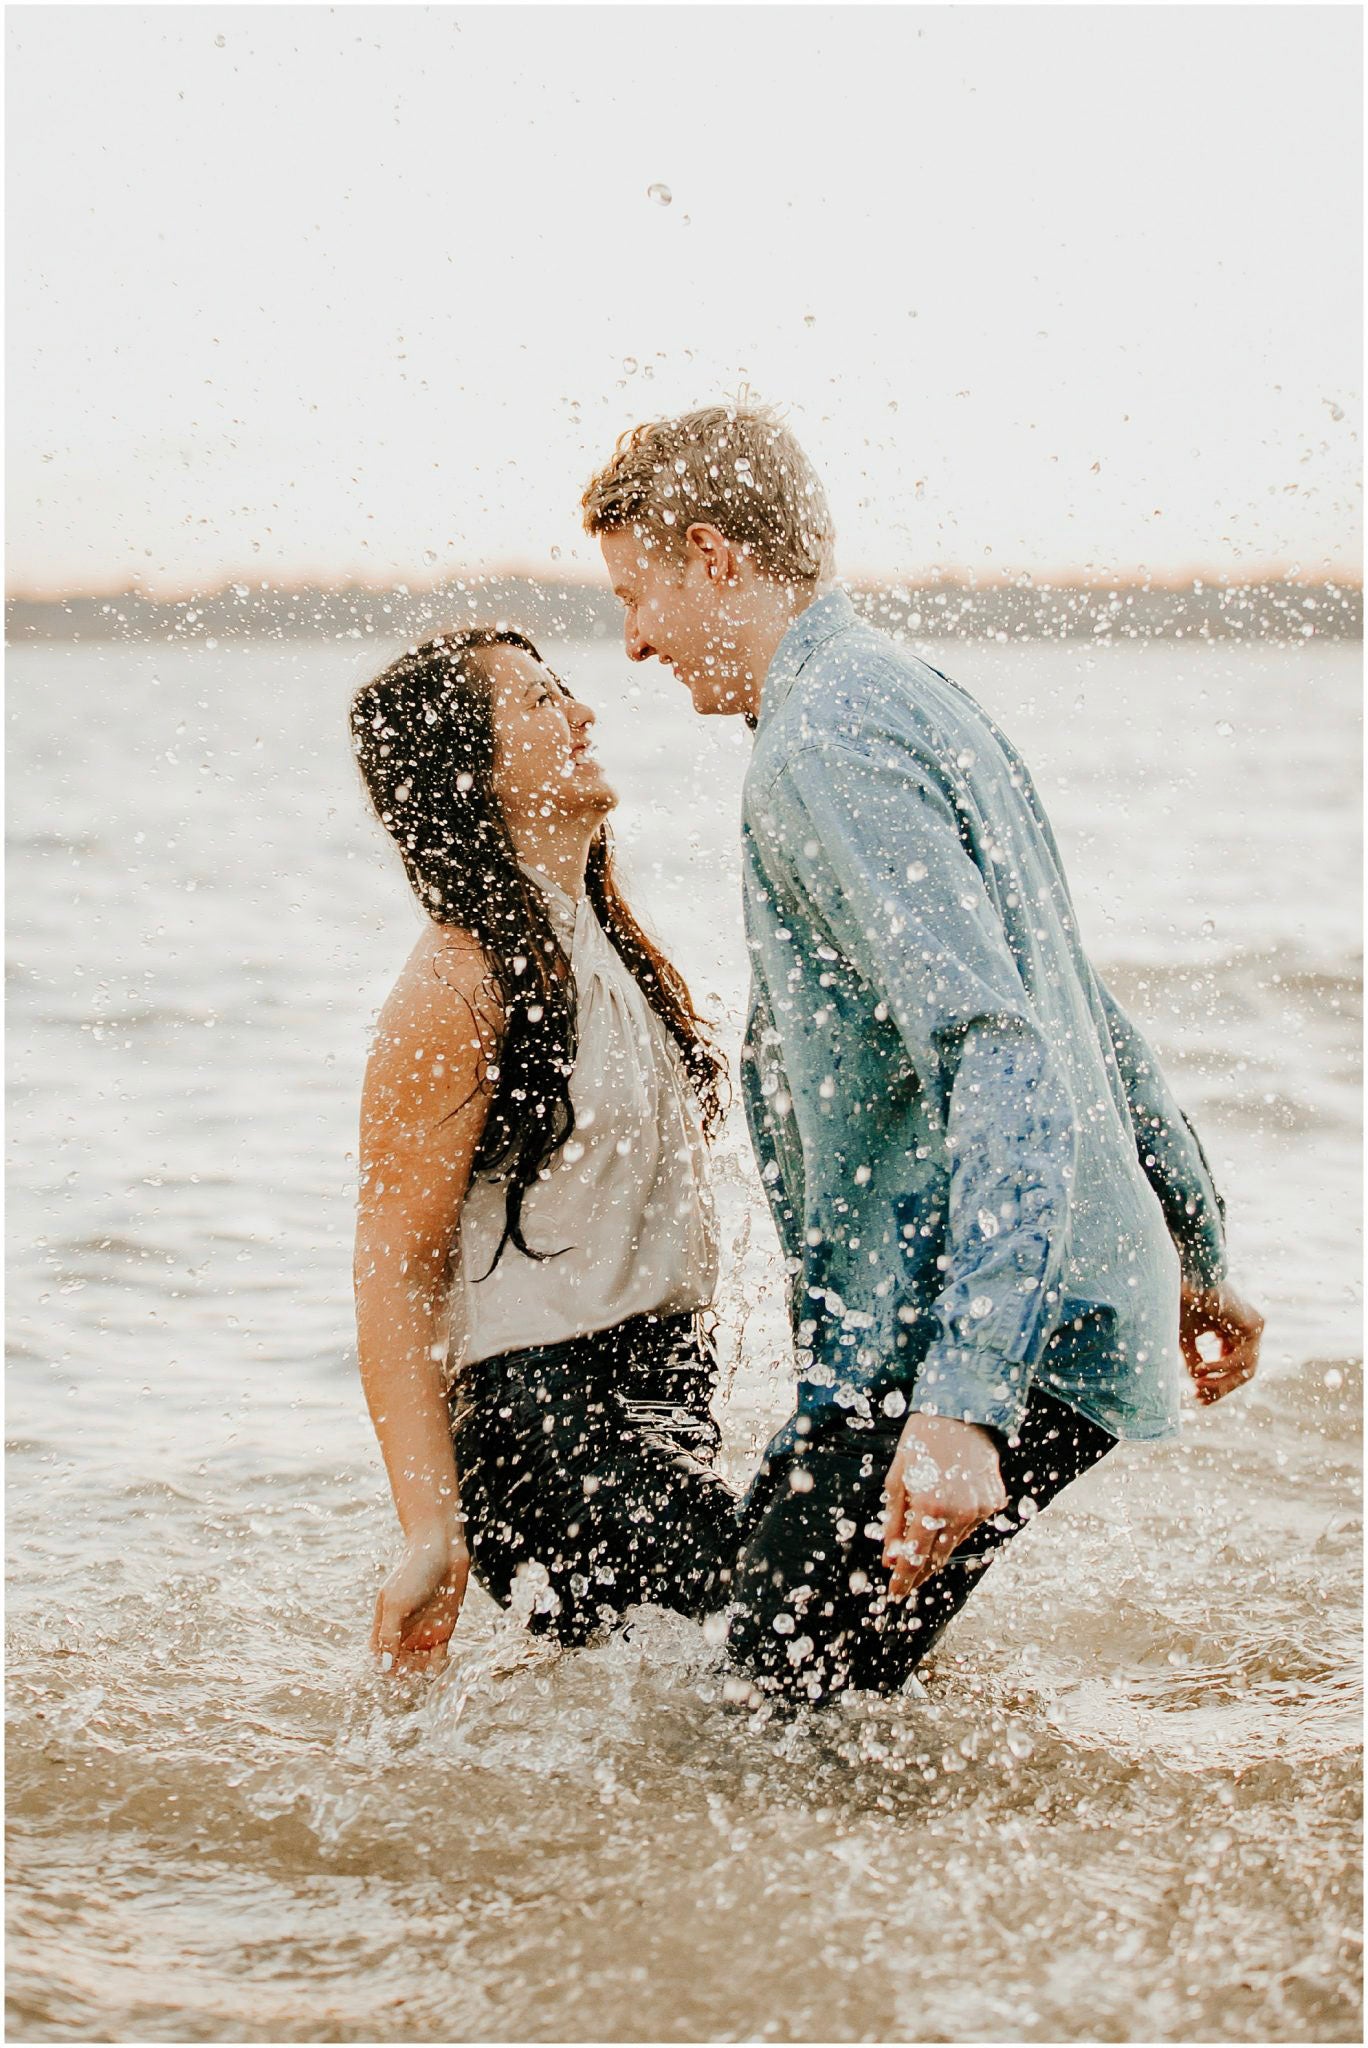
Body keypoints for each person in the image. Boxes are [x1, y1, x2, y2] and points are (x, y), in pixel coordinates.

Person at [582, 404, 1264, 1705]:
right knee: (791, 1691)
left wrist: (961, 1405)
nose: (637, 642)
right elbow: (1075, 998)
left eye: (640, 593)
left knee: (769, 1725)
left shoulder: (823, 746)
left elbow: (1001, 1044)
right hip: (1012, 1308)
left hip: (964, 1335)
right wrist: (1194, 1243)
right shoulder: (911, 695)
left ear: (715, 557)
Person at [350, 626, 737, 1675]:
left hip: (665, 1396)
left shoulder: (598, 935)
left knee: (704, 1714)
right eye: (536, 702)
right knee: (816, 1634)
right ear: (466, 766)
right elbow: (398, 1269)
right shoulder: (456, 981)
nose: (581, 714)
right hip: (547, 1434)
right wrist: (431, 1530)